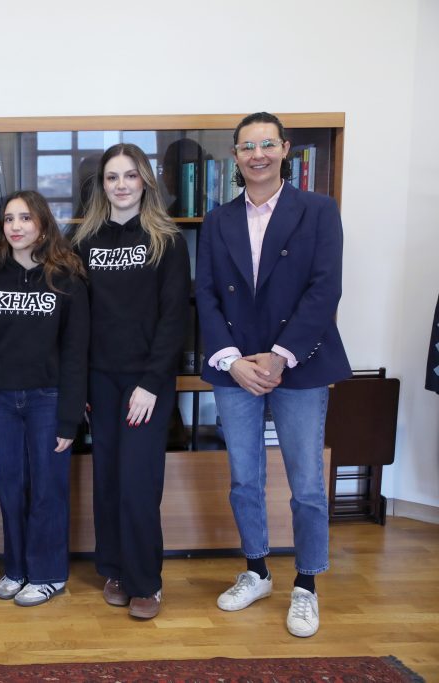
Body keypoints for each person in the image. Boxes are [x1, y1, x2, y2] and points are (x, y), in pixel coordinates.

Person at [195, 112, 350, 638]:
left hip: (300, 364)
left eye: (266, 144)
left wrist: (281, 356)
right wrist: (233, 360)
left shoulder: (319, 210)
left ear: (285, 149)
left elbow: (325, 289)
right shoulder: (218, 220)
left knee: (306, 482)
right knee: (245, 477)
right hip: (236, 367)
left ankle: (306, 584)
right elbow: (206, 294)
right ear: (234, 156)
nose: (257, 154)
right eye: (246, 147)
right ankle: (257, 570)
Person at [71, 143, 191, 620]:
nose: (121, 185)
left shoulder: (167, 240)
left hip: (147, 384)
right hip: (100, 380)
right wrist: (80, 385)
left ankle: (146, 582)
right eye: (112, 177)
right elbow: (77, 318)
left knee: (139, 483)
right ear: (102, 186)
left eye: (130, 175)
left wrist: (152, 382)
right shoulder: (84, 241)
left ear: (145, 181)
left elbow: (174, 317)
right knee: (108, 480)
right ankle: (115, 570)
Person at [0, 190, 88, 607]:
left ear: (42, 224)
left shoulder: (67, 278)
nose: (16, 226)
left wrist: (69, 417)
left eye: (25, 218)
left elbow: (76, 352)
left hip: (48, 398)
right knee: (10, 488)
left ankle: (48, 574)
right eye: (9, 219)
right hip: (1, 399)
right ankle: (17, 568)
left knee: (47, 489)